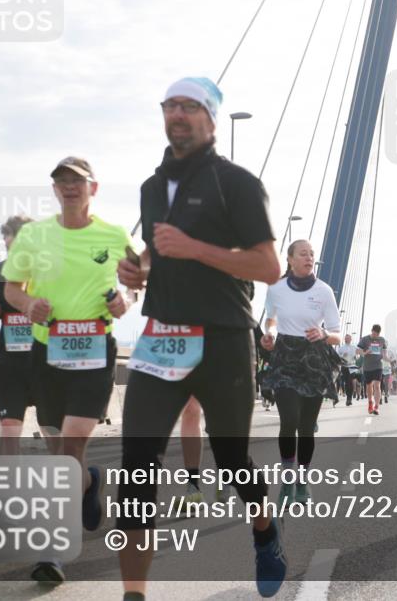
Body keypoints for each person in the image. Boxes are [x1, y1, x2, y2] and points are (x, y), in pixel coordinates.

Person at [116, 76, 286, 599]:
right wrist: (139, 268)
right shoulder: (150, 187)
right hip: (163, 335)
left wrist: (195, 249)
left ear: (211, 120)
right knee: (136, 467)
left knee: (231, 457)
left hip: (225, 337)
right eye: (171, 105)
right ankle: (134, 595)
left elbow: (269, 266)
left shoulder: (235, 183)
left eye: (191, 106)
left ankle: (264, 532)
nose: (179, 114)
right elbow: (157, 248)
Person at [2, 158, 134, 585]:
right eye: (62, 181)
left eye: (77, 180)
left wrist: (125, 300)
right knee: (57, 448)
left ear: (93, 188)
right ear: (54, 190)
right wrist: (28, 305)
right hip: (48, 354)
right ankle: (89, 484)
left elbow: (135, 280)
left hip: (95, 352)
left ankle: (52, 550)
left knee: (72, 444)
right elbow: (11, 288)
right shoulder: (34, 235)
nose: (69, 186)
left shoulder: (113, 235)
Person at [261, 239, 342, 505]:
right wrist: (270, 334)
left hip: (313, 358)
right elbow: (270, 319)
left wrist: (324, 333)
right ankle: (287, 479)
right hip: (285, 357)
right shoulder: (277, 289)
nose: (309, 258)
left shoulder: (324, 291)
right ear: (290, 259)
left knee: (306, 428)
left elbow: (338, 335)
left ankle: (302, 480)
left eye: (312, 254)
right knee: (289, 421)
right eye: (303, 254)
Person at [0, 214, 37, 455]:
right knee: (9, 426)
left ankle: (79, 480)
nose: (5, 240)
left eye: (10, 235)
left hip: (44, 360)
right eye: (4, 236)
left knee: (52, 429)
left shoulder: (48, 270)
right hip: (10, 360)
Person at [356, 325, 387, 415]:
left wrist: (389, 360)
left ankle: (376, 407)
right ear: (371, 331)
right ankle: (370, 402)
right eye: (373, 334)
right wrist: (366, 352)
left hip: (378, 365)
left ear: (379, 334)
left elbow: (384, 354)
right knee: (369, 386)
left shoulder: (382, 340)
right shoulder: (365, 339)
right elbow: (358, 350)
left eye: (376, 334)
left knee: (377, 386)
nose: (375, 336)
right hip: (367, 366)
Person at [336, 333, 359, 406]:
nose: (347, 339)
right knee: (347, 382)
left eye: (349, 338)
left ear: (351, 339)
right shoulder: (341, 348)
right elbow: (337, 358)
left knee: (350, 382)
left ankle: (349, 399)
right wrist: (343, 356)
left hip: (352, 367)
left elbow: (358, 357)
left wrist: (356, 357)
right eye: (346, 338)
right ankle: (348, 398)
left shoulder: (354, 347)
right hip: (344, 367)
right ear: (344, 339)